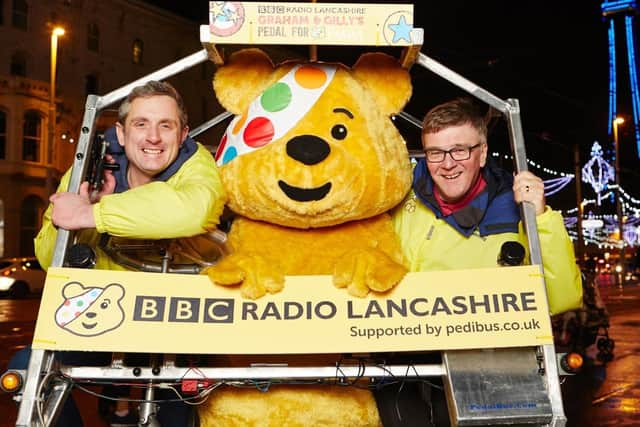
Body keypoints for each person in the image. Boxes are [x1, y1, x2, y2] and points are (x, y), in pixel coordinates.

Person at [11, 80, 226, 427]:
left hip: (178, 325)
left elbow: (194, 211)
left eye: (165, 125)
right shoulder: (91, 168)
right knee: (26, 370)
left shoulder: (197, 164)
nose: (153, 137)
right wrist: (85, 215)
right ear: (122, 134)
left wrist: (94, 212)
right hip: (109, 319)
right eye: (141, 124)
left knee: (184, 408)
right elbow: (49, 258)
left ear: (183, 134)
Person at [375, 97, 583, 427]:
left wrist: (541, 216)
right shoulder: (401, 198)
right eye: (435, 153)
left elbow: (561, 297)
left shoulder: (516, 208)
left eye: (460, 150)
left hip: (485, 374)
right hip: (405, 369)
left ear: (482, 153)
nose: (448, 163)